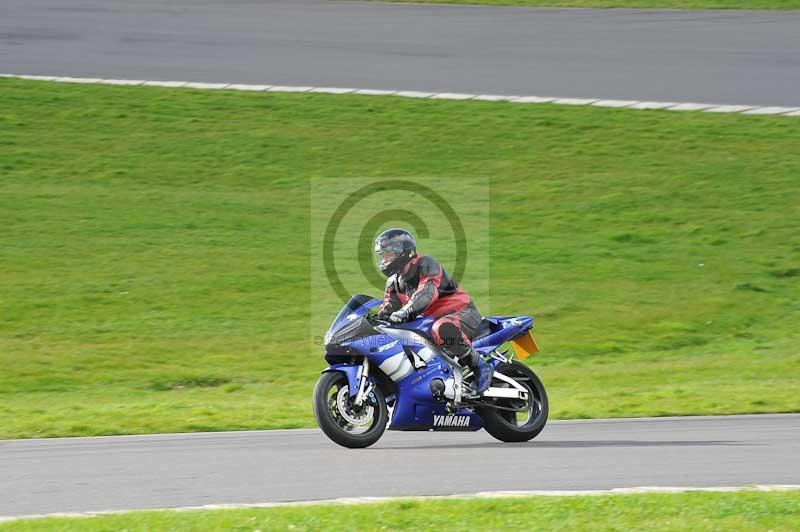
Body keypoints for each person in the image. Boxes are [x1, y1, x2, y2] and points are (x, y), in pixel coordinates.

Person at [373, 228, 493, 395]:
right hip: (430, 321)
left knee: (442, 328)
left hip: (462, 313)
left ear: (402, 252)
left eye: (387, 255)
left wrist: (406, 312)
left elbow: (426, 293)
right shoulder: (393, 282)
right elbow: (387, 308)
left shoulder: (426, 265)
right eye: (382, 255)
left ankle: (481, 367)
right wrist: (373, 320)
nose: (384, 259)